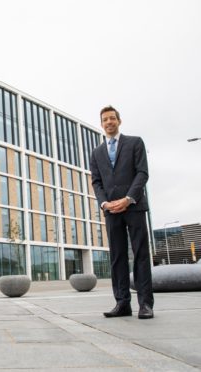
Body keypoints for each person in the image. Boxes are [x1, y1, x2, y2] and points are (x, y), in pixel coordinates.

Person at [90, 105, 154, 319]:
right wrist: (104, 204)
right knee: (117, 257)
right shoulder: (96, 152)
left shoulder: (135, 143)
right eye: (105, 119)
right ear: (101, 124)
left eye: (112, 118)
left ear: (119, 121)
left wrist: (128, 199)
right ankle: (122, 303)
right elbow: (96, 182)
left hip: (134, 206)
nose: (109, 122)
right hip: (111, 211)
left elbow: (142, 173)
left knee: (141, 255)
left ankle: (145, 304)